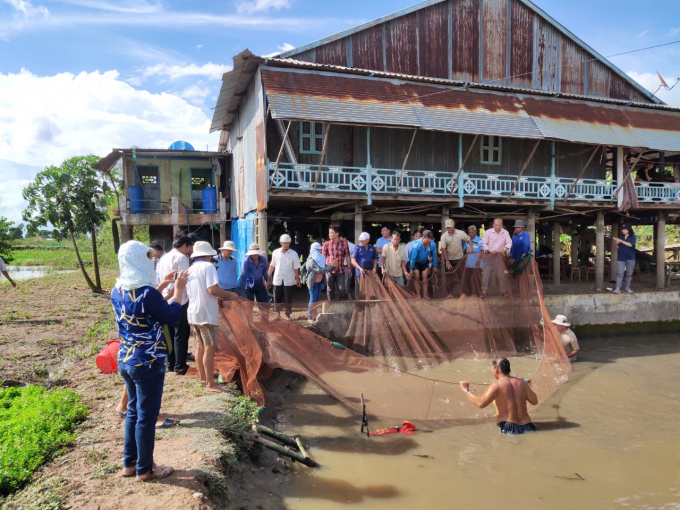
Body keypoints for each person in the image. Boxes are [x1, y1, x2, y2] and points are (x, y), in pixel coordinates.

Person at [112, 241, 187, 481]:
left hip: (126, 358)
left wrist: (163, 284)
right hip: (148, 361)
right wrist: (178, 291)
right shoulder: (147, 293)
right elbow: (172, 316)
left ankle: (130, 464)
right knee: (146, 416)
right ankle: (146, 468)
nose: (151, 260)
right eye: (148, 257)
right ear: (140, 260)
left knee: (134, 412)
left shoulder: (118, 289)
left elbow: (143, 307)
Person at [187, 241, 236, 393]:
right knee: (210, 347)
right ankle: (210, 384)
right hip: (206, 314)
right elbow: (212, 290)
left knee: (200, 346)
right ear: (208, 254)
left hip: (193, 312)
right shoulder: (208, 267)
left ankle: (203, 377)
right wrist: (230, 295)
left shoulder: (191, 269)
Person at [460, 357, 538, 435]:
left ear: (496, 369)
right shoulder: (522, 381)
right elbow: (535, 401)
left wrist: (466, 389)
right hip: (528, 426)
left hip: (509, 427)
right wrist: (526, 387)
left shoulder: (496, 385)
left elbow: (481, 403)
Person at [155, 233, 195, 375]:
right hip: (179, 299)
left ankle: (171, 364)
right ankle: (180, 365)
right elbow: (182, 280)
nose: (190, 250)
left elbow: (160, 279)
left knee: (169, 333)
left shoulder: (163, 258)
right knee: (181, 334)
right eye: (190, 247)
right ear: (184, 245)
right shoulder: (181, 258)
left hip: (165, 298)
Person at [268, 234, 301, 318]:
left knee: (288, 298)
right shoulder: (275, 252)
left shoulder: (294, 254)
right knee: (277, 298)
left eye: (287, 243)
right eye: (284, 243)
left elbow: (296, 267)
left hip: (288, 279)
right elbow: (272, 265)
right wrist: (267, 276)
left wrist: (297, 278)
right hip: (277, 278)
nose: (286, 244)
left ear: (289, 243)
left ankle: (288, 315)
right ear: (281, 243)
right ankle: (278, 315)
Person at [305, 243, 337, 321]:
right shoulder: (310, 260)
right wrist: (330, 267)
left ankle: (314, 316)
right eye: (319, 249)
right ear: (314, 250)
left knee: (316, 300)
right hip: (312, 283)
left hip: (319, 282)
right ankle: (310, 317)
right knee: (313, 299)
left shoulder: (320, 259)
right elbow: (320, 270)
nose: (320, 251)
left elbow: (326, 267)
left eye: (320, 249)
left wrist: (333, 266)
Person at [481, 218, 512, 298]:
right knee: (486, 274)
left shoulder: (505, 232)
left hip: (499, 256)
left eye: (499, 225)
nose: (497, 227)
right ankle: (484, 292)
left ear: (502, 225)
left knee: (501, 274)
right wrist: (489, 250)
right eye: (496, 225)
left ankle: (503, 291)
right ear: (493, 225)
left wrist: (504, 249)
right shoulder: (488, 232)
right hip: (488, 255)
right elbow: (484, 244)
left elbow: (509, 242)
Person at [440, 219, 470, 295]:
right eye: (447, 228)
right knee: (449, 278)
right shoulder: (444, 236)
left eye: (450, 227)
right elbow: (443, 249)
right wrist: (447, 261)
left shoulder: (460, 233)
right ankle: (450, 294)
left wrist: (471, 248)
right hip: (449, 259)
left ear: (453, 226)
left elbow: (468, 239)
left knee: (462, 276)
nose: (449, 229)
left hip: (459, 258)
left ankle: (464, 293)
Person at [321, 225, 350, 301]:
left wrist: (349, 268)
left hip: (340, 270)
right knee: (330, 289)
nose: (330, 234)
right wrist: (324, 267)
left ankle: (343, 306)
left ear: (337, 234)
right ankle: (331, 306)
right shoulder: (326, 244)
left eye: (331, 233)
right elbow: (322, 257)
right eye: (329, 233)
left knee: (342, 289)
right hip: (329, 270)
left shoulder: (344, 244)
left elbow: (347, 256)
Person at [409, 230, 438, 298]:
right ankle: (418, 294)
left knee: (425, 276)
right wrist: (411, 268)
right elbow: (413, 258)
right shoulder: (416, 245)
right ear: (424, 237)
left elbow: (434, 255)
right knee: (417, 275)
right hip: (416, 262)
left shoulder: (432, 244)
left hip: (425, 261)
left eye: (431, 239)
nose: (430, 241)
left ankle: (425, 295)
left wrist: (435, 266)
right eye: (428, 239)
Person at [613, 223, 636, 294]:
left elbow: (630, 245)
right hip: (621, 258)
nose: (623, 231)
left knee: (629, 274)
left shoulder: (633, 237)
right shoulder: (621, 237)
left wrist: (621, 241)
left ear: (629, 230)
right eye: (622, 229)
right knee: (620, 273)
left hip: (630, 258)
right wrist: (616, 243)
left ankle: (627, 288)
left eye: (624, 229)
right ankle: (617, 288)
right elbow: (618, 248)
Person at [462, 225, 484, 297]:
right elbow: (464, 249)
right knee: (466, 278)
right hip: (468, 263)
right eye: (469, 232)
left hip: (477, 263)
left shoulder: (479, 240)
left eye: (472, 232)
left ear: (476, 232)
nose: (471, 234)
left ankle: (477, 293)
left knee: (477, 278)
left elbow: (482, 251)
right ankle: (469, 292)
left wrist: (479, 260)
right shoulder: (468, 240)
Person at [340, 232, 356, 300]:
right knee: (341, 285)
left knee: (346, 285)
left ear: (345, 238)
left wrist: (351, 266)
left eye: (341, 240)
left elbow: (355, 258)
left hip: (347, 267)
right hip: (340, 267)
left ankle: (351, 299)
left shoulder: (353, 246)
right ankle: (345, 299)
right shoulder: (339, 246)